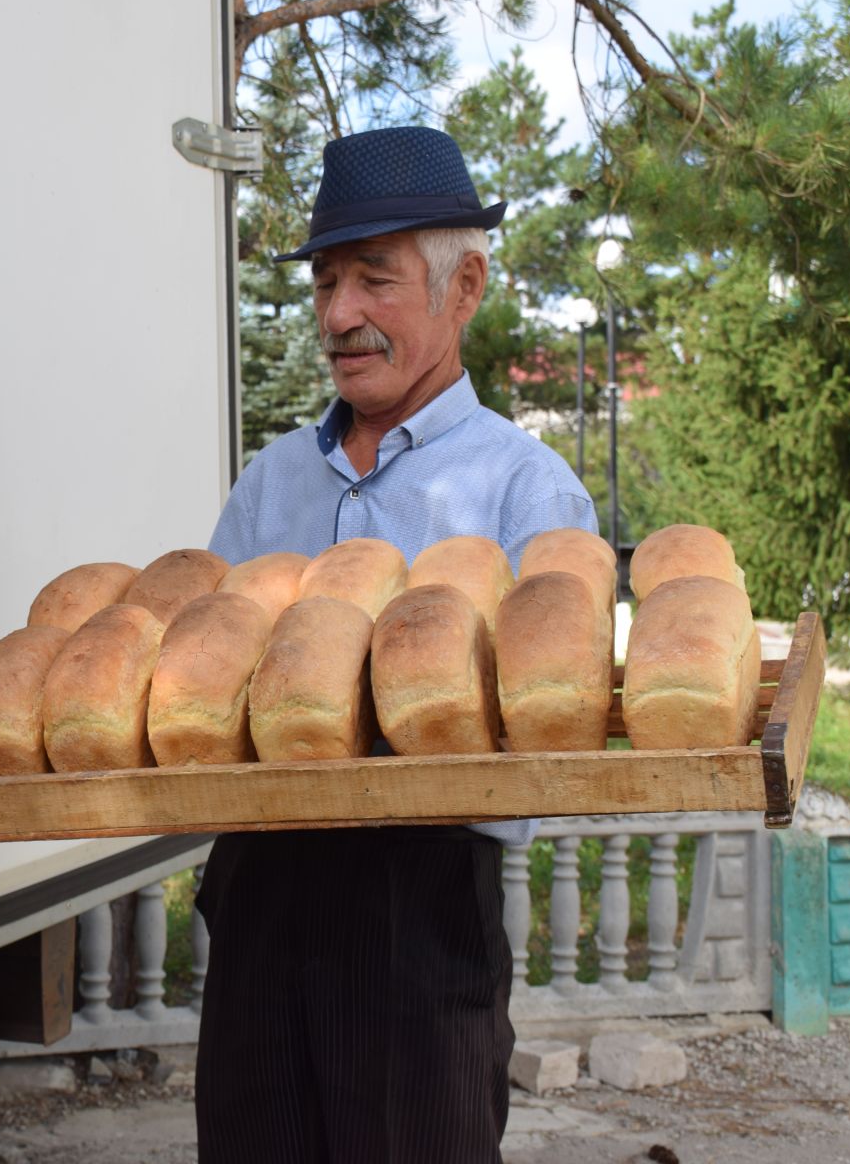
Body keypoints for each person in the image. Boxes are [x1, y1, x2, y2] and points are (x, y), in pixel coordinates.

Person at [195, 126, 597, 1163]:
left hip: (418, 900)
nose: (338, 316)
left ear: (463, 287)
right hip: (260, 883)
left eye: (373, 279)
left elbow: (554, 734)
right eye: (326, 283)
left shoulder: (527, 490)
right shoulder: (271, 481)